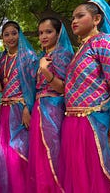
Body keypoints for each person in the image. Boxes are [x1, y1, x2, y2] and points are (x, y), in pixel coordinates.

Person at [59, 0, 110, 192]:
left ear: (96, 19)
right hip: (73, 125)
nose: (74, 21)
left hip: (94, 125)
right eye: (72, 18)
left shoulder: (105, 42)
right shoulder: (82, 49)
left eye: (80, 16)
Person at [27, 17, 73, 192]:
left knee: (54, 152)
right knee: (40, 156)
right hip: (39, 109)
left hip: (54, 108)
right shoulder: (42, 57)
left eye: (48, 31)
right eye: (40, 33)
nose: (43, 36)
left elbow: (63, 88)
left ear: (58, 33)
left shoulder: (63, 55)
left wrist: (45, 71)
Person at [0, 21, 37, 193]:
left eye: (14, 33)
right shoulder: (0, 58)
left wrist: (28, 108)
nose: (10, 37)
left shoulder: (29, 57)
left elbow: (35, 85)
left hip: (21, 110)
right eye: (6, 34)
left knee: (20, 151)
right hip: (4, 110)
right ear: (2, 38)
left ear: (20, 35)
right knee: (4, 152)